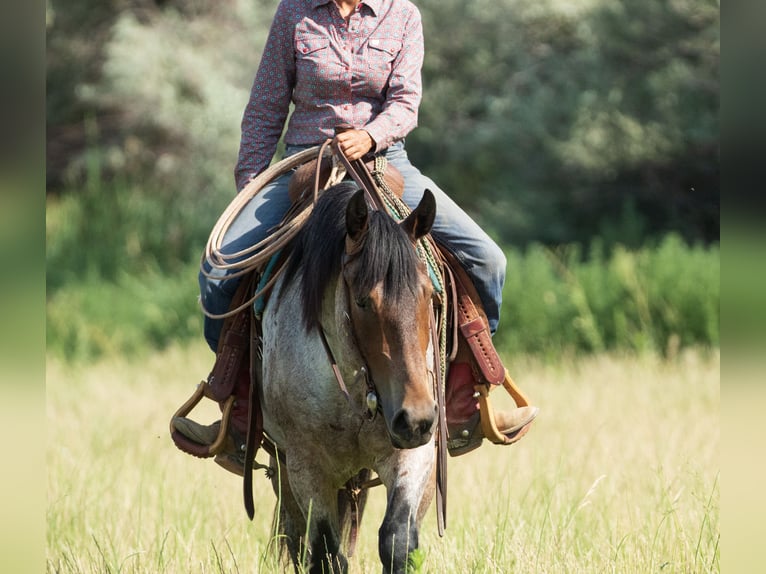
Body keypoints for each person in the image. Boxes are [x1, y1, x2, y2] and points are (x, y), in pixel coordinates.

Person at [173, 0, 537, 473]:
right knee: (220, 269)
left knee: (488, 260)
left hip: (386, 162)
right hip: (304, 164)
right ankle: (237, 403)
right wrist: (251, 187)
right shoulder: (294, 14)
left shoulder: (402, 14)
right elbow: (265, 107)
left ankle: (464, 391)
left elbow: (406, 103)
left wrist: (370, 135)